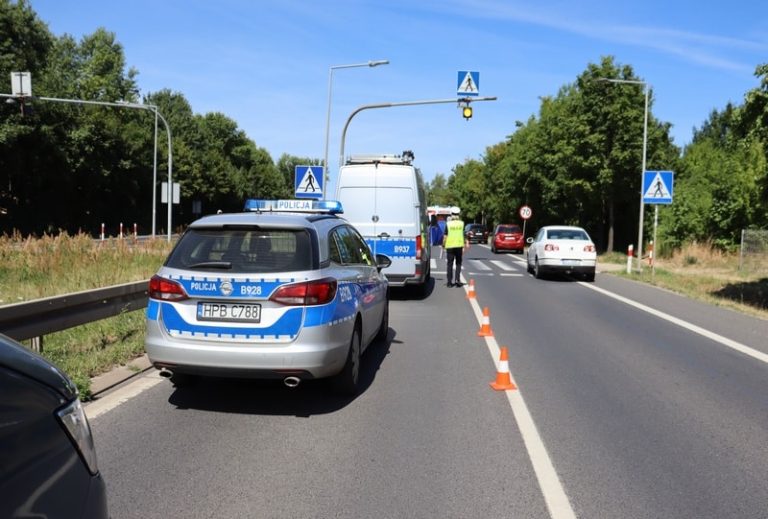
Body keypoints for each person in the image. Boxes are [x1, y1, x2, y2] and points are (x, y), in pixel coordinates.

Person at [442, 209, 469, 287]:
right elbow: (464, 234)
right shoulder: (462, 223)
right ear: (458, 215)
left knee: (449, 264)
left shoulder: (448, 224)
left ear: (451, 215)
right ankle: (457, 280)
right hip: (459, 246)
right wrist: (466, 242)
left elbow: (445, 236)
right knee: (458, 263)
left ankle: (449, 282)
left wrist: (443, 245)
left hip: (450, 246)